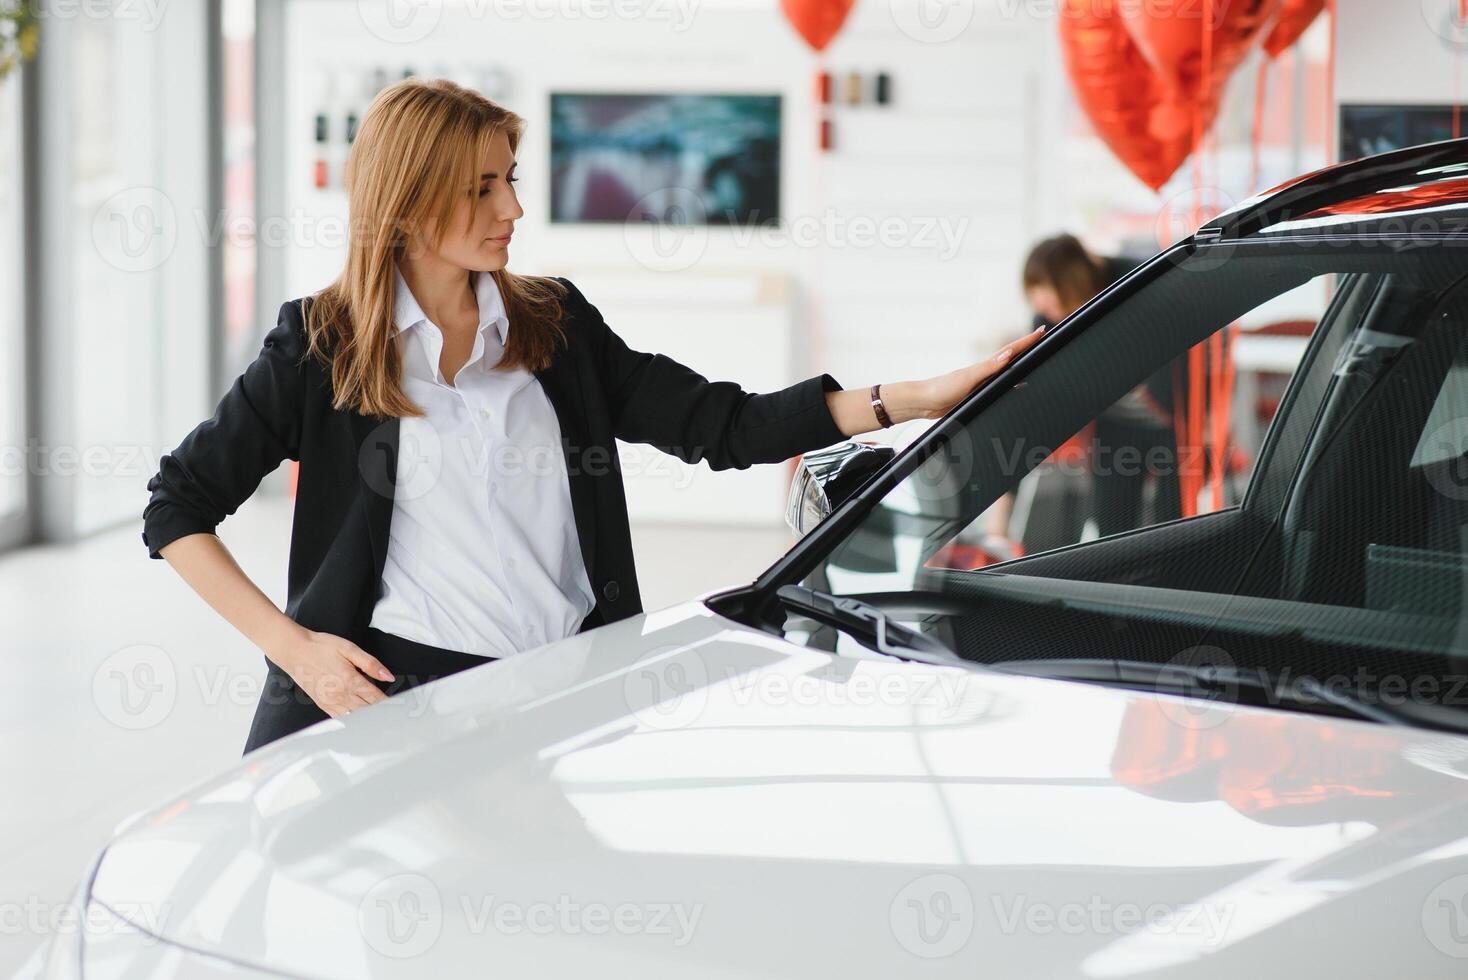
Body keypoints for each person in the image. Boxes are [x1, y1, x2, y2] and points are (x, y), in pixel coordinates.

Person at [141, 78, 1045, 755]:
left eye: (511, 179)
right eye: (484, 187)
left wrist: (915, 398)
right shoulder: (322, 345)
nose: (515, 208)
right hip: (389, 701)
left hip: (559, 701)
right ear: (411, 200)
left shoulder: (554, 326)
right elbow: (176, 505)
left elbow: (722, 427)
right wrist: (297, 652)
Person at [1021, 234, 1181, 539]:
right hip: (1114, 426)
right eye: (1041, 306)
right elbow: (1039, 381)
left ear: (1075, 283)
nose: (1049, 314)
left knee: (1173, 523)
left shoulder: (1139, 280)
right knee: (1111, 526)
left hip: (1171, 421)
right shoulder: (1047, 318)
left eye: (1055, 303)